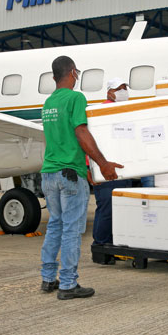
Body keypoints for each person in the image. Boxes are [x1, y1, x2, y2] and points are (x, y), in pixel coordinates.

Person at [40, 55, 123, 300]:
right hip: (69, 175)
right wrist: (103, 163)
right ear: (74, 73)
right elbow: (81, 132)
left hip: (49, 173)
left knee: (55, 224)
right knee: (72, 229)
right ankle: (67, 284)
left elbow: (59, 140)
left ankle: (47, 278)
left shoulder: (48, 103)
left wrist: (84, 169)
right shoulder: (76, 98)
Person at [91, 77, 133, 262]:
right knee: (106, 206)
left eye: (125, 88)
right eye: (119, 88)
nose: (123, 91)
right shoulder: (100, 111)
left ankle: (113, 245)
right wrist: (89, 168)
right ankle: (100, 246)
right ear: (109, 92)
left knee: (121, 208)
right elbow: (89, 141)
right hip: (104, 168)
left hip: (124, 168)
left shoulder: (126, 111)